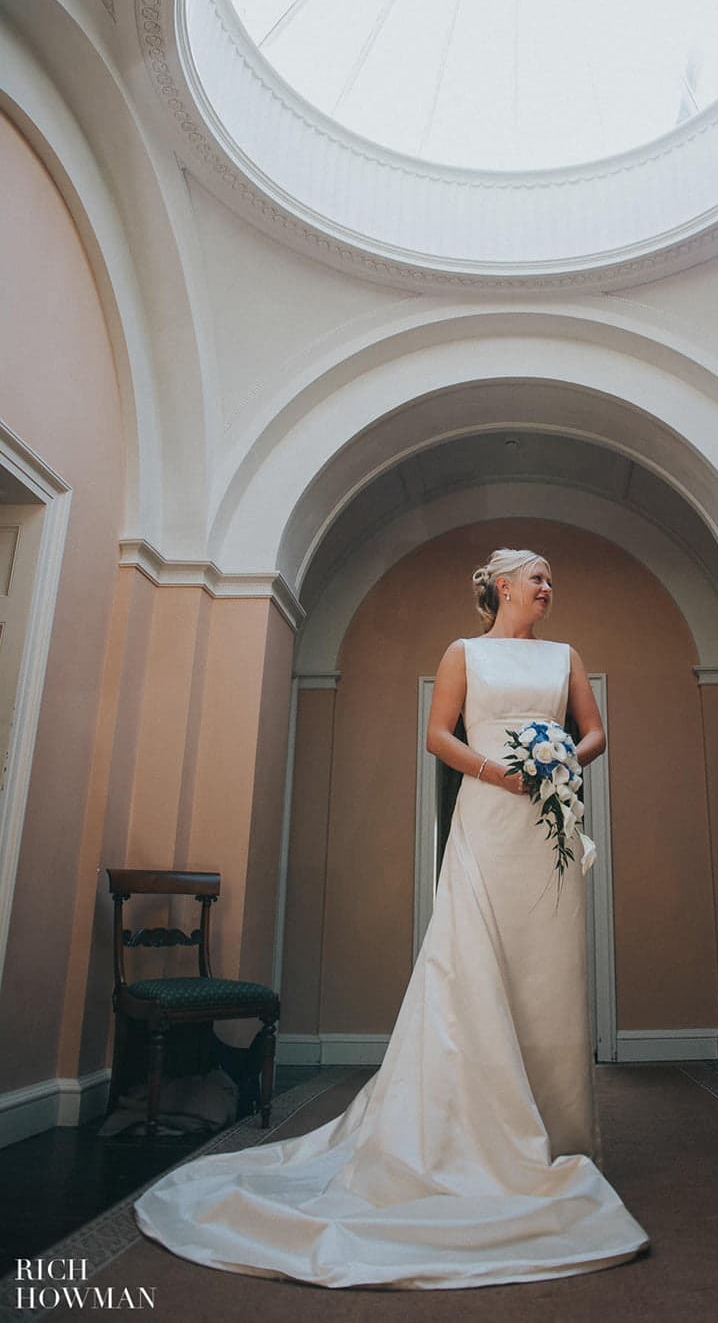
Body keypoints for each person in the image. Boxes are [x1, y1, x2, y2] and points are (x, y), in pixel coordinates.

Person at [133, 548, 651, 1289]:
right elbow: (438, 735)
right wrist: (500, 773)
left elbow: (596, 730)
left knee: (548, 972)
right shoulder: (463, 651)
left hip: (547, 831)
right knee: (472, 961)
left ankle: (556, 1136)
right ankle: (466, 1135)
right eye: (537, 575)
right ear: (502, 584)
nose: (548, 585)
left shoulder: (566, 656)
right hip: (485, 815)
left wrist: (566, 755)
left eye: (550, 577)